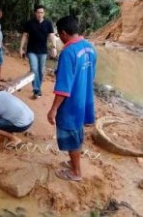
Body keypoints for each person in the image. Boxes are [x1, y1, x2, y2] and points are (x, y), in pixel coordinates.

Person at [47, 16, 97, 182]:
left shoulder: (68, 53)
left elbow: (63, 88)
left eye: (59, 35)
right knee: (77, 132)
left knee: (71, 135)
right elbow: (91, 75)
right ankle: (73, 162)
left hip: (71, 105)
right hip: (84, 100)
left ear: (63, 33)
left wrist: (53, 109)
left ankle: (76, 172)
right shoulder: (90, 48)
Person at [20, 5, 57, 99]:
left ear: (44, 13)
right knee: (34, 69)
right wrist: (21, 48)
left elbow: (52, 36)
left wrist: (54, 47)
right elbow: (24, 35)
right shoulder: (29, 23)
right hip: (31, 50)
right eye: (38, 12)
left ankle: (38, 87)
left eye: (42, 12)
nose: (40, 14)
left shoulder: (48, 23)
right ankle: (36, 90)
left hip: (43, 51)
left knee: (40, 71)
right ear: (35, 13)